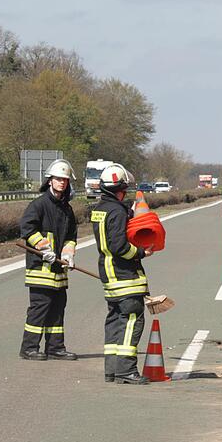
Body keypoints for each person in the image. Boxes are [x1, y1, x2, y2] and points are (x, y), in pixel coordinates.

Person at [91, 163, 153, 385]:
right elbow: (119, 246)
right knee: (132, 320)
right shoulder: (117, 212)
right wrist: (141, 252)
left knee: (115, 321)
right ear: (119, 188)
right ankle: (126, 370)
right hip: (124, 274)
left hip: (109, 274)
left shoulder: (100, 210)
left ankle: (112, 370)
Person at [18, 159, 79, 361]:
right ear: (50, 180)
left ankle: (55, 348)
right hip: (40, 268)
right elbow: (27, 228)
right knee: (39, 308)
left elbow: (71, 236)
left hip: (59, 270)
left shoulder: (67, 209)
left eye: (65, 180)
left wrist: (69, 253)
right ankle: (29, 348)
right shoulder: (39, 204)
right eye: (58, 179)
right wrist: (43, 248)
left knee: (58, 309)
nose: (62, 183)